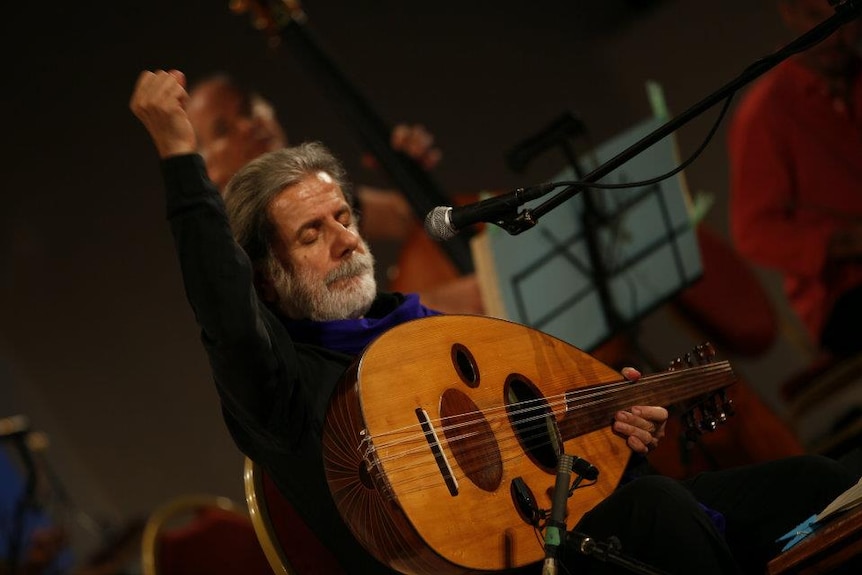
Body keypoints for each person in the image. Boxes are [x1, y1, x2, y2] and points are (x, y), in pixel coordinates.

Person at [130, 68, 857, 574]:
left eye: (344, 217)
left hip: (586, 527)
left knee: (817, 481)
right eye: (312, 234)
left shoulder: (416, 326)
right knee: (659, 512)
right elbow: (224, 314)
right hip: (504, 567)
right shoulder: (278, 388)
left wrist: (616, 431)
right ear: (266, 273)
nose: (346, 238)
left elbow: (539, 459)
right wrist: (178, 153)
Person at [184, 72, 484, 315]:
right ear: (207, 169)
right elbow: (328, 332)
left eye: (248, 109)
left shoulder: (311, 198)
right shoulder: (235, 252)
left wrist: (407, 174)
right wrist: (436, 306)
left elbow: (408, 219)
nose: (248, 125)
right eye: (223, 130)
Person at [728, 0, 862, 358]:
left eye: (845, 18)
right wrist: (846, 243)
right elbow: (754, 231)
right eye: (817, 18)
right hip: (843, 296)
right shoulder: (766, 113)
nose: (835, 36)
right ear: (789, 12)